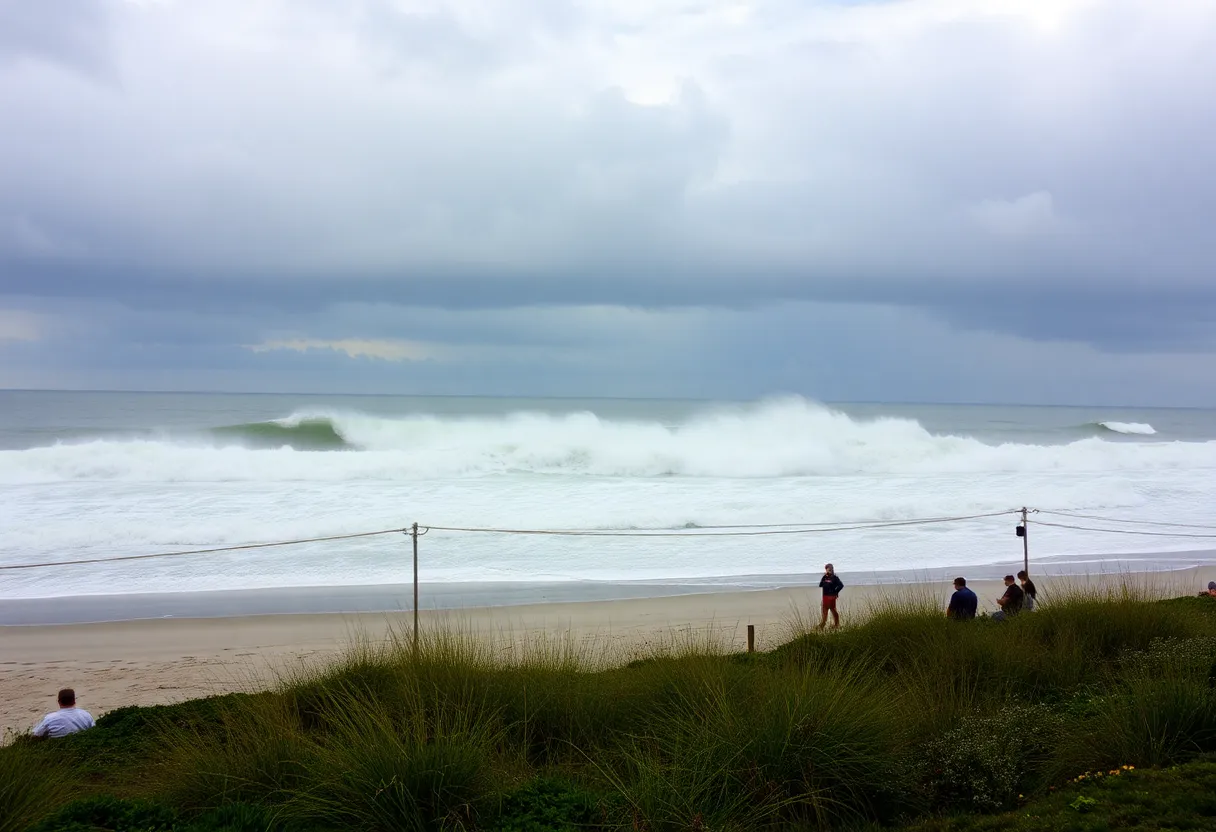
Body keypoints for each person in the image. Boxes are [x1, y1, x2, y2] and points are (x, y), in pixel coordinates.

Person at [818, 563, 843, 629]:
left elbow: (841, 585)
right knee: (825, 611)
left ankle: (836, 624)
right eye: (827, 570)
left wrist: (836, 591)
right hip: (825, 596)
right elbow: (820, 585)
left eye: (829, 570)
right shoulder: (825, 577)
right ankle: (823, 624)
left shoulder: (835, 578)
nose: (828, 571)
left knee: (832, 610)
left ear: (832, 569)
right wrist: (824, 579)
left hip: (831, 597)